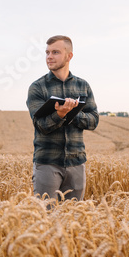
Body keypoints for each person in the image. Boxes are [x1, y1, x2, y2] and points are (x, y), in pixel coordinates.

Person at [26, 35, 99, 202]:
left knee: (74, 219)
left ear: (69, 56)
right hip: (47, 163)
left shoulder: (83, 86)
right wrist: (59, 114)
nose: (49, 57)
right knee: (46, 218)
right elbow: (41, 126)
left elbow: (94, 120)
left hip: (76, 162)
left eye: (55, 52)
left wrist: (71, 113)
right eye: (47, 52)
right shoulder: (37, 87)